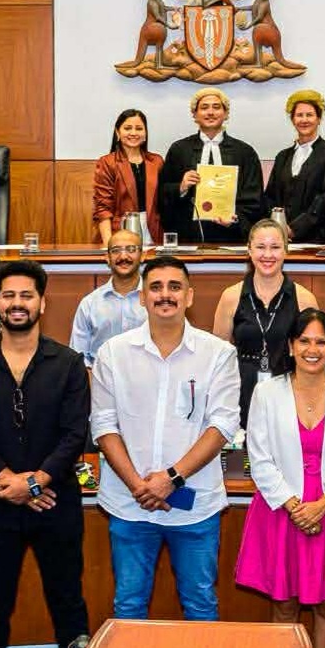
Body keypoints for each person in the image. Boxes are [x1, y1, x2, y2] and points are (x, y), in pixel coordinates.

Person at [90, 256, 241, 621]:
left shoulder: (218, 354)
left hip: (194, 506)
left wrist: (171, 479)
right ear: (142, 297)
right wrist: (139, 486)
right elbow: (103, 425)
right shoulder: (113, 353)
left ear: (189, 296)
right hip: (130, 504)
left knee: (200, 604)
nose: (165, 295)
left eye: (175, 287)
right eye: (155, 287)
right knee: (128, 606)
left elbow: (222, 426)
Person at [0, 260, 91, 648]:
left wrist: (34, 482)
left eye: (26, 295)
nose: (17, 303)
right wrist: (9, 481)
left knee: (68, 602)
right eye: (9, 295)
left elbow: (75, 434)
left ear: (42, 303)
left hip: (56, 503)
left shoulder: (68, 364)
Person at [234, 310, 325, 648]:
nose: (312, 349)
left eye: (321, 342)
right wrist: (294, 506)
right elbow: (259, 455)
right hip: (281, 509)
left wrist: (322, 504)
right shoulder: (267, 392)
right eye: (304, 341)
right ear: (291, 346)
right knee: (284, 605)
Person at [213, 218, 319, 427]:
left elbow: (314, 356)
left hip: (290, 396)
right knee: (243, 448)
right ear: (249, 250)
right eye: (261, 247)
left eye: (275, 247)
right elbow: (218, 358)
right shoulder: (231, 297)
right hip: (240, 395)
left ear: (286, 251)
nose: (268, 255)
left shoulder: (305, 299)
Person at [156, 87, 264, 244]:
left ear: (226, 114)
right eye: (204, 107)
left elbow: (255, 198)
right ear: (194, 115)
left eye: (216, 107)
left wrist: (236, 219)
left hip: (233, 237)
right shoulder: (179, 150)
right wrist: (181, 187)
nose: (210, 112)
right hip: (188, 237)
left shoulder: (245, 152)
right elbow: (162, 193)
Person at [263, 89, 325, 244]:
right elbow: (271, 197)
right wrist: (277, 227)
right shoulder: (282, 157)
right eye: (299, 115)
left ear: (319, 119)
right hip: (285, 241)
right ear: (292, 119)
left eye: (309, 115)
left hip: (322, 240)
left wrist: (295, 229)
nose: (304, 120)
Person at [69, 230, 148, 370]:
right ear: (107, 257)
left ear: (142, 256)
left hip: (148, 376)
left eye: (131, 249)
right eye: (116, 250)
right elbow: (78, 356)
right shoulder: (90, 303)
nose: (123, 256)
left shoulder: (156, 300)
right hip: (100, 378)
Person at [92, 108, 164, 245]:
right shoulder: (107, 162)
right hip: (119, 233)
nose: (133, 133)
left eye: (139, 128)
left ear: (145, 133)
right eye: (127, 128)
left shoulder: (157, 161)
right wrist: (109, 245)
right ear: (117, 132)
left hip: (154, 232)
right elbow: (103, 208)